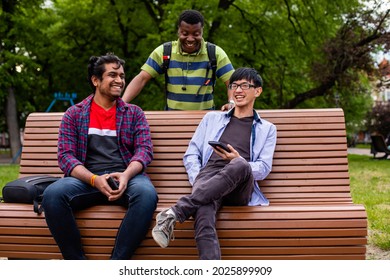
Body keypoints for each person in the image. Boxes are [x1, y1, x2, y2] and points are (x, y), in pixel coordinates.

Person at [151, 67, 277, 259]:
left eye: (244, 85)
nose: (238, 90)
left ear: (257, 91)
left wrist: (236, 160)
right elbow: (191, 155)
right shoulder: (212, 118)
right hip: (209, 176)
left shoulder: (267, 129)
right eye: (234, 86)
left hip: (241, 182)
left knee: (240, 165)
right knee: (203, 207)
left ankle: (176, 211)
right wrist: (200, 182)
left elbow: (264, 168)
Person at [42, 53, 158, 260]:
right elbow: (66, 157)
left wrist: (126, 175)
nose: (120, 80)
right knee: (52, 195)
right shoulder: (74, 114)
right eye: (112, 75)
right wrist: (94, 180)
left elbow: (144, 151)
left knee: (147, 195)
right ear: (95, 80)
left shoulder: (134, 113)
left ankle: (115, 266)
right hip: (87, 179)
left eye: (122, 76)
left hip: (125, 177)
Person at [122, 9, 235, 111]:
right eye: (185, 33)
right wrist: (122, 104)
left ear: (202, 32)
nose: (190, 39)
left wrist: (232, 102)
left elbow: (233, 82)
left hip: (206, 121)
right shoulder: (165, 52)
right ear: (178, 31)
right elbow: (141, 78)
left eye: (196, 34)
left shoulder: (215, 53)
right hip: (172, 120)